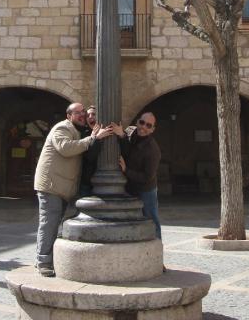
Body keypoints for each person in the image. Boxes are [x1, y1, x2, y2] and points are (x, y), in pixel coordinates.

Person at [34, 102, 112, 277]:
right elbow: (66, 148)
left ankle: (43, 259)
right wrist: (93, 139)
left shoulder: (76, 130)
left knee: (55, 224)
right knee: (50, 224)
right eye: (78, 113)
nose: (83, 115)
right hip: (52, 186)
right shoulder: (62, 128)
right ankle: (43, 262)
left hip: (61, 186)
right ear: (68, 115)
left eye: (83, 112)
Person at [111, 112, 162, 239]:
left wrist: (126, 170)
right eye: (142, 122)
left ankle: (156, 244)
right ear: (137, 121)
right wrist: (121, 134)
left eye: (148, 125)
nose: (143, 127)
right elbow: (127, 148)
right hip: (129, 185)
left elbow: (147, 177)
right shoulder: (130, 132)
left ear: (152, 130)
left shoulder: (152, 150)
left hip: (146, 189)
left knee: (150, 217)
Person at [79, 106, 101, 197]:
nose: (90, 117)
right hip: (88, 180)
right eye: (88, 115)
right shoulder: (83, 134)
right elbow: (89, 157)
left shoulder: (107, 131)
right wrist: (95, 138)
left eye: (94, 114)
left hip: (104, 179)